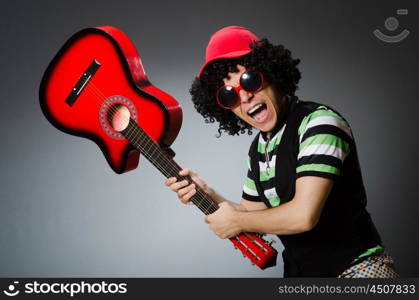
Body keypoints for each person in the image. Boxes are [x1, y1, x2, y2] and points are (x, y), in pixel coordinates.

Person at [165, 26, 399, 278]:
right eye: (229, 95)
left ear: (272, 73)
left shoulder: (320, 123)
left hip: (359, 270)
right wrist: (208, 194)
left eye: (249, 80)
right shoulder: (259, 148)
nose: (243, 97)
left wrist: (237, 222)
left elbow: (303, 216)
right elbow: (253, 215)